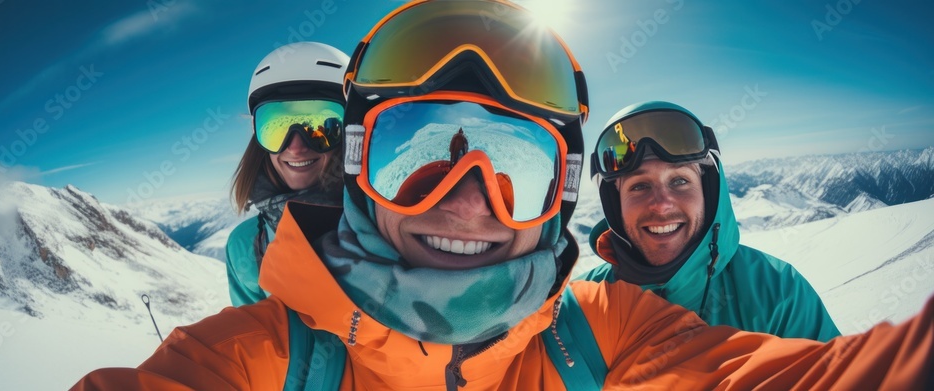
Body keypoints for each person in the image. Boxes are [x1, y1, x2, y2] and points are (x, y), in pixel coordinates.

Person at [73, 1, 932, 389]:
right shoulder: (267, 352)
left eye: (511, 166)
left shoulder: (604, 325)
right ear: (363, 171)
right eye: (419, 157)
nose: (466, 199)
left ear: (558, 195)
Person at [583, 101, 842, 341]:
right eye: (639, 186)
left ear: (708, 191)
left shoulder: (778, 292)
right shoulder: (576, 308)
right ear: (615, 205)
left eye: (680, 181)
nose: (661, 204)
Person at [226, 42, 349, 306]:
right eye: (277, 128)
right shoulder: (246, 247)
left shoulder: (388, 222)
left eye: (321, 128)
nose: (296, 147)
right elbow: (258, 338)